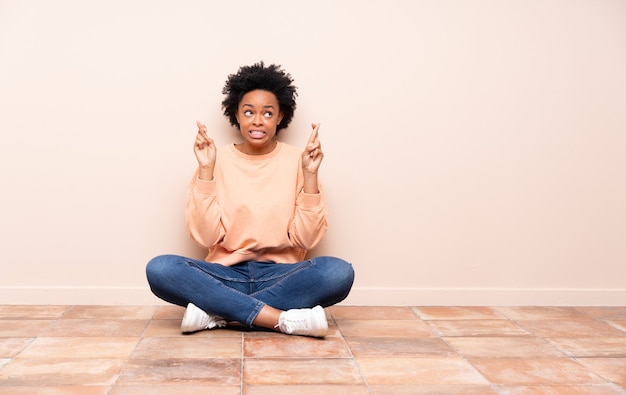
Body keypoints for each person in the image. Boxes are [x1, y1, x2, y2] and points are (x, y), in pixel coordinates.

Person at [146, 62, 354, 338]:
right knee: (160, 268)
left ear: (280, 116)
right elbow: (206, 237)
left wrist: (310, 176)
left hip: (282, 276)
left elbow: (307, 240)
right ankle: (279, 319)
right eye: (249, 112)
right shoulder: (213, 159)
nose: (258, 120)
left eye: (267, 113)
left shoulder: (298, 160)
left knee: (337, 272)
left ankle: (220, 314)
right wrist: (206, 171)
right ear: (237, 115)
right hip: (224, 276)